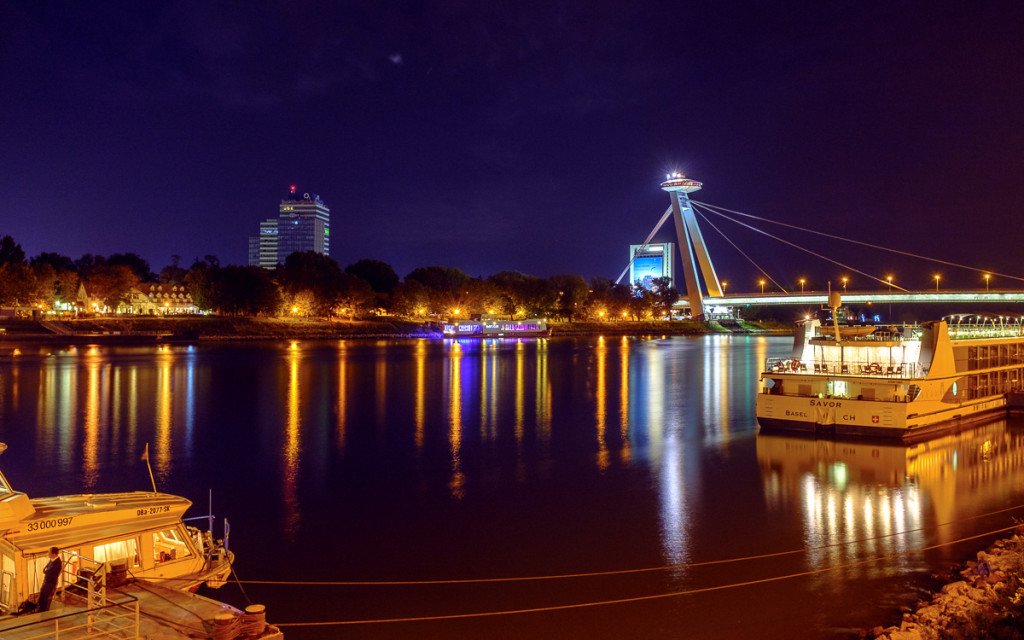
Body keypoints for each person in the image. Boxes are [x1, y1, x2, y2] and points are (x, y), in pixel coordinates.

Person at [37, 547, 61, 612]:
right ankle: (40, 608)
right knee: (42, 594)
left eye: (49, 553)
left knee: (46, 597)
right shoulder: (51, 560)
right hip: (46, 581)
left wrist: (46, 571)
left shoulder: (57, 563)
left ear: (54, 554)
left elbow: (49, 572)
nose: (48, 554)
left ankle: (44, 610)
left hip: (50, 583)